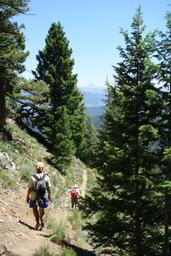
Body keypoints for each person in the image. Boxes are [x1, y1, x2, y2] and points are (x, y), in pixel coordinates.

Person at [26, 162, 51, 231]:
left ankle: (37, 223)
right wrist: (49, 196)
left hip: (34, 195)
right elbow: (49, 188)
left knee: (34, 208)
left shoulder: (32, 177)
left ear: (36, 168)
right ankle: (42, 225)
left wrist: (27, 196)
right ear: (43, 168)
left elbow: (30, 189)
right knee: (42, 211)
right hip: (43, 196)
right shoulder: (46, 177)